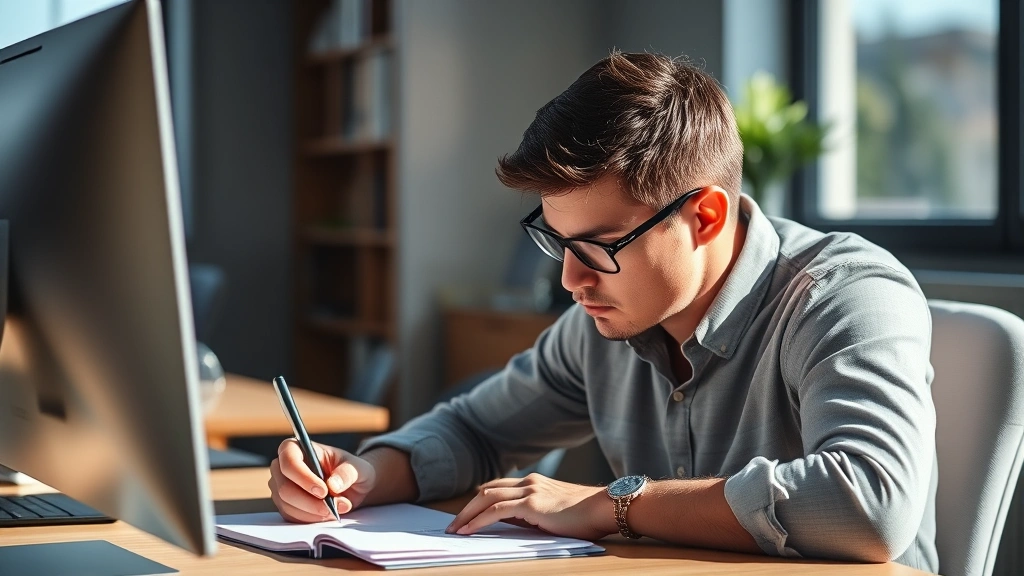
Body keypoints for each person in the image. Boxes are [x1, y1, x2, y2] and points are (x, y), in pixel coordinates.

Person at [268, 51, 937, 572]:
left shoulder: (845, 296)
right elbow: (475, 430)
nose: (570, 278)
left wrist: (617, 506)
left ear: (704, 217)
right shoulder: (601, 328)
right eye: (557, 243)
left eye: (596, 247)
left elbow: (867, 502)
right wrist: (362, 477)